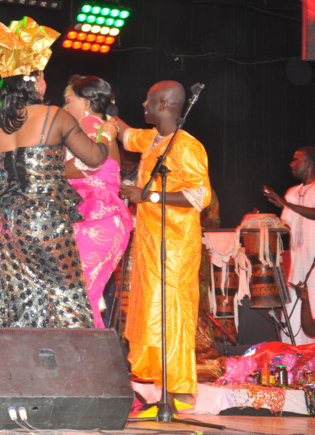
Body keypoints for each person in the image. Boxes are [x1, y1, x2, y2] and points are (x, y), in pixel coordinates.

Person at [0, 17, 108, 329]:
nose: (45, 83)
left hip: (6, 224)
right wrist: (107, 137)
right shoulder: (54, 116)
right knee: (65, 298)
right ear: (34, 82)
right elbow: (93, 158)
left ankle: (24, 372)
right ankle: (73, 371)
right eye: (42, 77)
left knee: (20, 303)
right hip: (47, 220)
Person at [117, 80, 211, 410]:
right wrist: (102, 109)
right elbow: (126, 135)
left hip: (174, 249)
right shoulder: (154, 141)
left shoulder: (186, 145)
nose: (142, 104)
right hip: (149, 245)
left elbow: (200, 196)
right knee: (150, 317)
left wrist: (150, 195)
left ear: (164, 105)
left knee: (171, 315)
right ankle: (163, 391)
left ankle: (179, 394)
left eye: (148, 100)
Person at [63, 75, 133, 328]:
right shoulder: (100, 126)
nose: (65, 107)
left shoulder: (90, 123)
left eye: (69, 100)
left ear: (86, 102)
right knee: (82, 297)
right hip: (97, 218)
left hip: (96, 218)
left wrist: (43, 166)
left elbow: (87, 164)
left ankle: (85, 362)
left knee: (77, 296)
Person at [265, 146, 315, 345]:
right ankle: (294, 360)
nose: (291, 164)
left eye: (296, 160)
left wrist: (285, 204)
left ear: (309, 163)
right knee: (293, 317)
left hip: (313, 265)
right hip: (298, 266)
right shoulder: (292, 193)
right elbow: (286, 226)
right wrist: (263, 221)